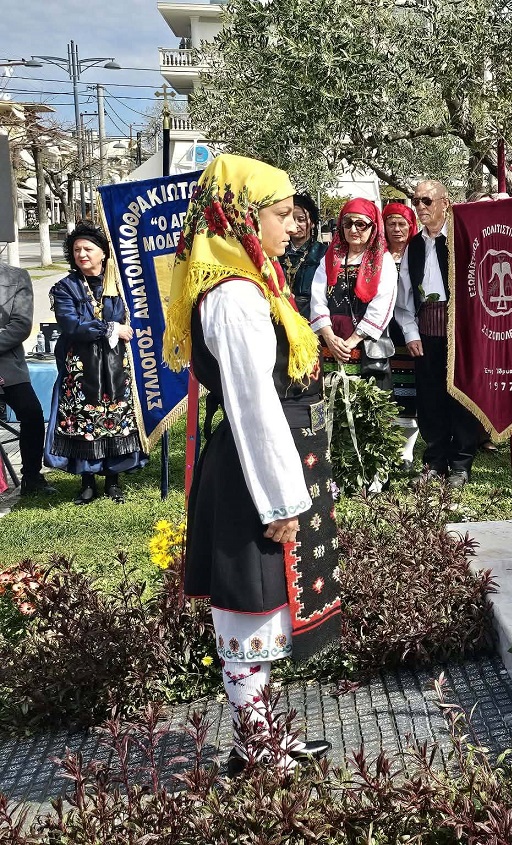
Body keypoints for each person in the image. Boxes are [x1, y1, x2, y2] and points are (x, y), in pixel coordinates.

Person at [164, 153, 338, 775]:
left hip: (261, 464)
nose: (293, 226)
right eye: (281, 214)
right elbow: (253, 405)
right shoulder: (235, 297)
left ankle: (261, 739)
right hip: (253, 473)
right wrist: (283, 502)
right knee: (249, 608)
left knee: (260, 607)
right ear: (241, 217)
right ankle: (259, 749)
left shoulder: (250, 282)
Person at [45, 222, 146, 504]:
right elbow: (71, 325)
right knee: (84, 420)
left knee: (115, 417)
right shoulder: (65, 288)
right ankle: (87, 482)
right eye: (77, 250)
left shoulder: (121, 284)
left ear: (103, 253)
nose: (82, 254)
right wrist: (111, 328)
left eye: (88, 249)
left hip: (116, 365)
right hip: (81, 367)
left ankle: (113, 481)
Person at [392, 179, 478, 488]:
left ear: (445, 202)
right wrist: (411, 333)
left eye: (426, 201)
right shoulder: (413, 245)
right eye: (416, 201)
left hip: (461, 330)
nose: (420, 207)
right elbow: (404, 296)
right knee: (430, 398)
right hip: (426, 329)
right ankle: (435, 462)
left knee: (461, 397)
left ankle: (461, 464)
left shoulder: (462, 238)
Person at [308, 198, 397, 386]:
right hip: (331, 340)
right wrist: (329, 337)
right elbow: (318, 298)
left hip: (364, 342)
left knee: (363, 397)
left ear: (373, 227)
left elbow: (383, 304)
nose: (353, 230)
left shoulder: (383, 260)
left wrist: (352, 341)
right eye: (348, 223)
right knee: (330, 393)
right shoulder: (331, 257)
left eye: (361, 224)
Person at [0, 262, 54, 495]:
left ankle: (32, 477)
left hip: (7, 365)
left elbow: (21, 326)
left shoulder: (17, 277)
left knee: (32, 414)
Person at [382, 200, 422, 465]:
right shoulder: (377, 256)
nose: (397, 229)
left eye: (402, 224)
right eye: (391, 224)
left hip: (411, 329)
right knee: (389, 386)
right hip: (383, 330)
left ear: (411, 226)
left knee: (410, 388)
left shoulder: (418, 253)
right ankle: (386, 444)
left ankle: (406, 449)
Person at [279, 193, 327, 319]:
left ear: (312, 222)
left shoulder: (323, 253)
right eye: (291, 219)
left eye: (301, 219)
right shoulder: (277, 251)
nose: (295, 225)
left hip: (311, 316)